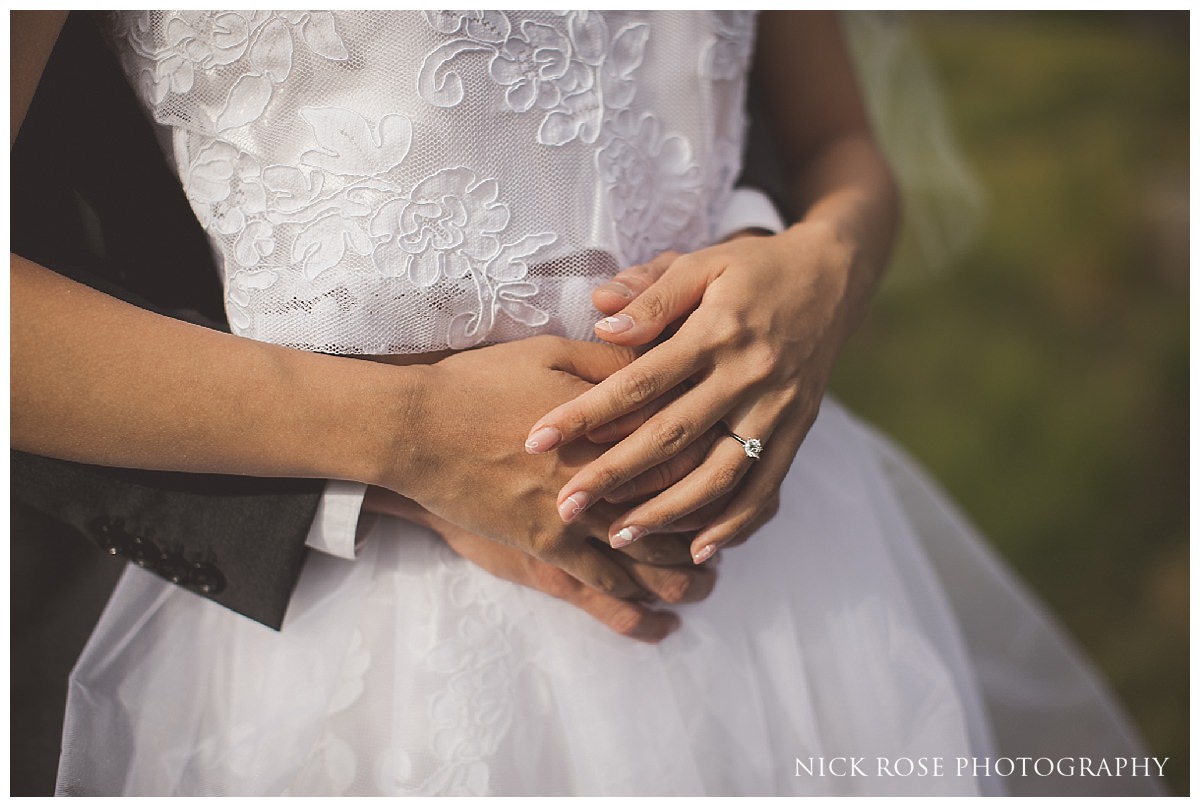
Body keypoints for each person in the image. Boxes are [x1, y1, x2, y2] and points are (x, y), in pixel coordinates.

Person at [12, 11, 1159, 796]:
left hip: (786, 572)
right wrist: (402, 438)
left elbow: (837, 139)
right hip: (376, 644)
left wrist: (824, 268)